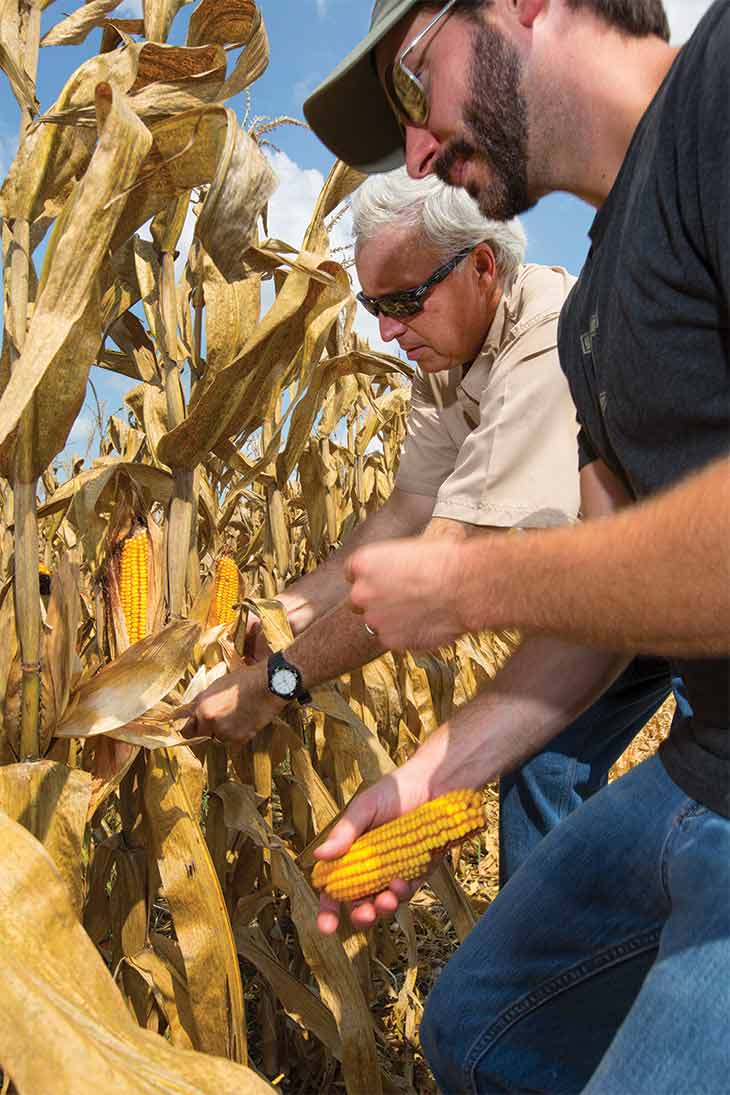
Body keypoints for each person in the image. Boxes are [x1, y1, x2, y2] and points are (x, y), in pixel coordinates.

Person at [303, 1, 730, 1091]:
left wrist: (469, 584)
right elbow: (606, 616)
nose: (417, 148)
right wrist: (426, 780)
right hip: (707, 769)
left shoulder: (720, 89)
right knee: (482, 1027)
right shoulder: (596, 318)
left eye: (413, 81)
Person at [188, 166, 671, 884]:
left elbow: (434, 574)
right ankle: (557, 955)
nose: (385, 330)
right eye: (372, 303)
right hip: (606, 598)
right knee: (541, 766)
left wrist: (272, 686)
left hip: (689, 589)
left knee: (615, 795)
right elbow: (405, 511)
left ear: (481, 265)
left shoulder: (546, 343)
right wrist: (285, 607)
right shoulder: (442, 357)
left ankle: (568, 955)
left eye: (405, 300)